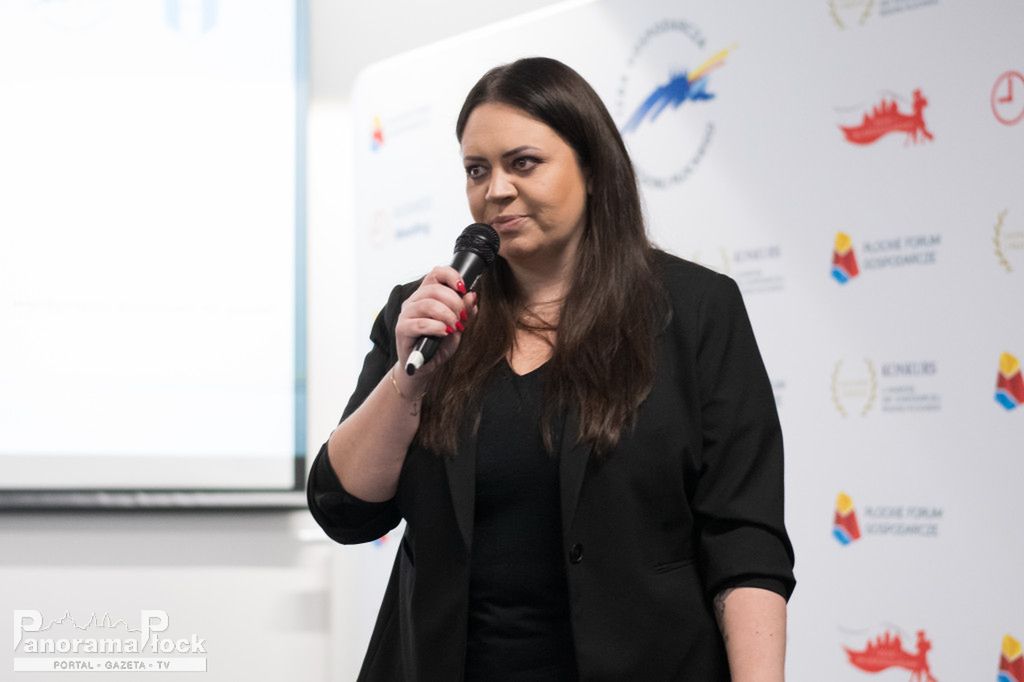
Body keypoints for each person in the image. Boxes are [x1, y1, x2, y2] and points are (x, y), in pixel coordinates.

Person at [308, 57, 795, 681]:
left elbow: (745, 542)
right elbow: (345, 510)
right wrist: (408, 381)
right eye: (477, 170)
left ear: (591, 167)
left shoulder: (696, 311)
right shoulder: (424, 314)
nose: (497, 189)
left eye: (524, 163)